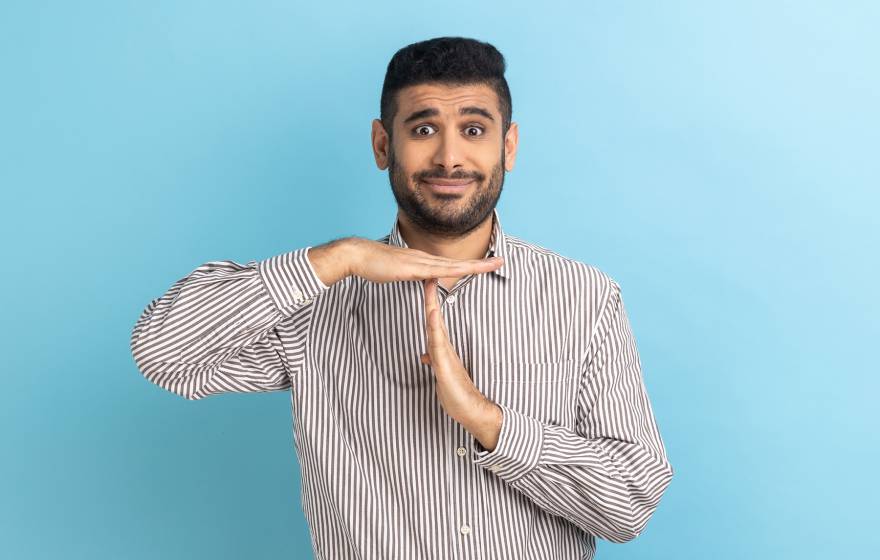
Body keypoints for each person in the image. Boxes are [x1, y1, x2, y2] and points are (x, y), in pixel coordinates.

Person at [130, 36, 674, 560]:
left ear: (507, 147)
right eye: (424, 128)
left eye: (474, 128)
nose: (449, 157)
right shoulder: (315, 303)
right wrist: (338, 259)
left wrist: (492, 424)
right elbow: (163, 353)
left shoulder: (584, 297)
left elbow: (629, 503)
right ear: (382, 144)